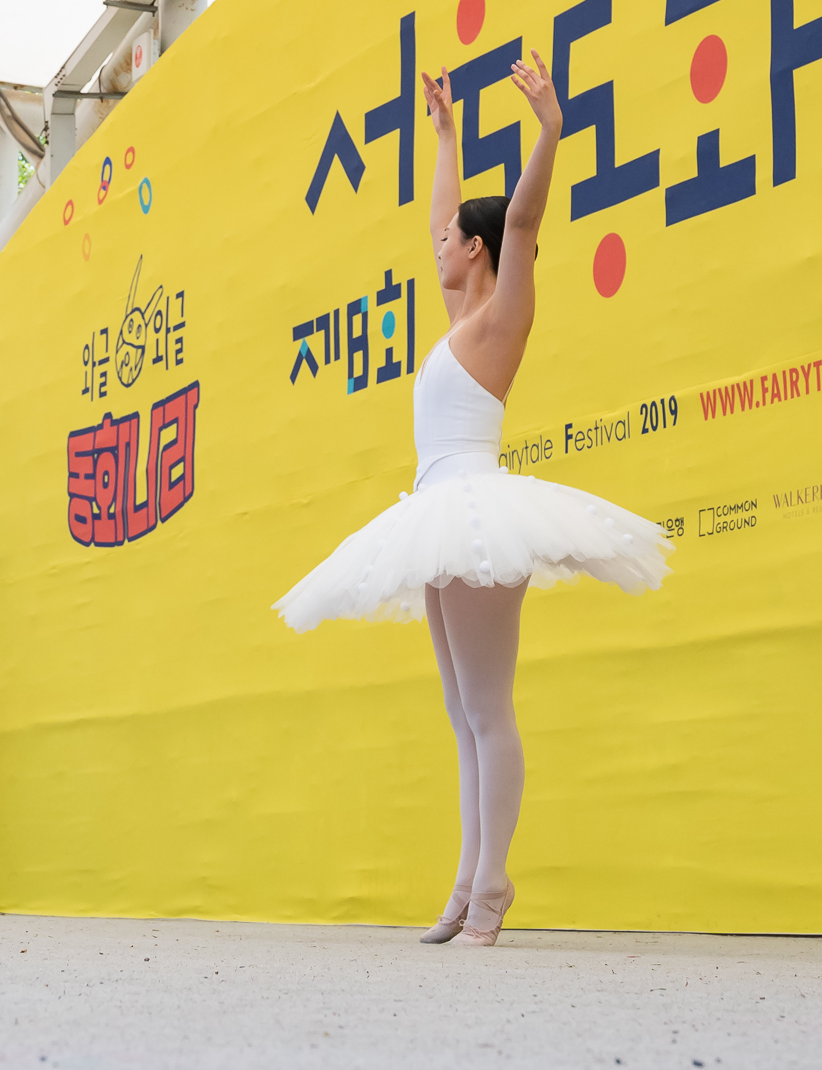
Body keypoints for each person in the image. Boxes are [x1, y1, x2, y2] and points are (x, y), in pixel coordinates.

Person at [275, 52, 670, 947]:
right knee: (462, 715)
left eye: (451, 239)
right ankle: (466, 879)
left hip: (479, 514)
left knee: (488, 711)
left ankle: (493, 885)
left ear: (478, 250)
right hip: (437, 512)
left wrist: (551, 128)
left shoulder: (500, 319)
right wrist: (444, 134)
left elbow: (521, 223)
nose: (438, 244)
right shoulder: (459, 320)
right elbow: (441, 217)